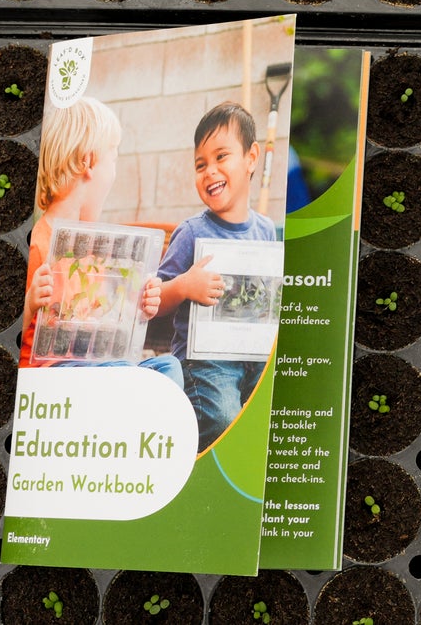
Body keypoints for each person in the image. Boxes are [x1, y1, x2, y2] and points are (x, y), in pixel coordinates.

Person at [155, 101, 281, 449]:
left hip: (253, 358)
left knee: (268, 413)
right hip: (204, 364)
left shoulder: (266, 231)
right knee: (225, 419)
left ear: (251, 158)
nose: (210, 171)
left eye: (221, 157)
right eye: (200, 164)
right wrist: (183, 286)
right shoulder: (192, 232)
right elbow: (154, 299)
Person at [24, 96, 173, 381]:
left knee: (167, 369)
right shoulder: (38, 244)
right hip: (48, 376)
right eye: (113, 159)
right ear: (89, 161)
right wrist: (30, 302)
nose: (114, 172)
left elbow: (100, 322)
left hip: (94, 367)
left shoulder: (92, 253)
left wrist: (138, 307)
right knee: (124, 374)